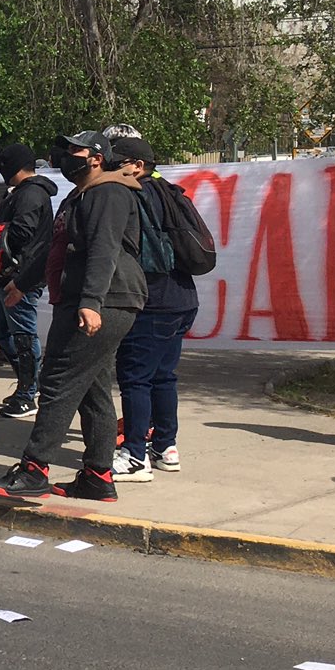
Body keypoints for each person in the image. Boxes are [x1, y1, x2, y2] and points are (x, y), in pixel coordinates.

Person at [0, 131, 145, 503]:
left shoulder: (110, 192)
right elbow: (54, 247)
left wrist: (90, 301)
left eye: (76, 150)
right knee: (92, 390)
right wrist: (23, 283)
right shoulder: (81, 195)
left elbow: (104, 247)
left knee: (56, 381)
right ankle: (97, 476)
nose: (66, 155)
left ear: (97, 158)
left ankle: (34, 469)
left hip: (103, 299)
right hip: (91, 298)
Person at [110, 136, 198, 479]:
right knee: (164, 377)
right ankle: (165, 447)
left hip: (152, 300)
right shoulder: (169, 192)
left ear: (138, 165)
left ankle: (134, 455)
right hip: (181, 299)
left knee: (135, 379)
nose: (111, 167)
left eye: (119, 162)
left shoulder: (136, 195)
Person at [0, 144, 58, 420]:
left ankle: (29, 392)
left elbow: (22, 233)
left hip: (20, 275)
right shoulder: (22, 193)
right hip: (3, 274)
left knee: (23, 334)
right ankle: (29, 383)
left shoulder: (31, 193)